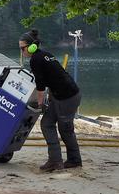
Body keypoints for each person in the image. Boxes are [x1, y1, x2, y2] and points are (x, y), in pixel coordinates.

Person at [19, 29, 82, 172]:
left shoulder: (36, 59)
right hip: (63, 95)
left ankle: (70, 161)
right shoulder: (45, 55)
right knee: (47, 123)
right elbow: (51, 78)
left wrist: (40, 103)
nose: (22, 51)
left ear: (32, 46)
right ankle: (58, 160)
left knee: (65, 130)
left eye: (23, 48)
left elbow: (40, 84)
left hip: (67, 97)